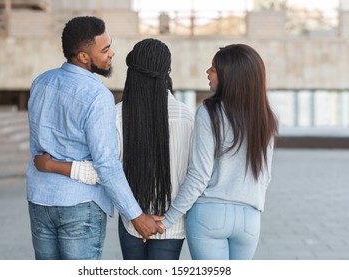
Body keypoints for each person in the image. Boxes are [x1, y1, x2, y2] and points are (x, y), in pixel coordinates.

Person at [34, 38, 194, 260]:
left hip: (131, 224)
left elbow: (106, 171)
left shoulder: (117, 115)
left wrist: (53, 165)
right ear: (167, 71)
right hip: (170, 227)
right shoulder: (186, 117)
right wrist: (168, 219)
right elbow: (193, 178)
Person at [160, 44, 279, 260]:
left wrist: (169, 218)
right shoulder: (266, 118)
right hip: (249, 219)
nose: (207, 72)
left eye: (213, 68)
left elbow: (199, 175)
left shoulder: (209, 112)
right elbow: (265, 175)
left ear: (229, 75)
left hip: (209, 215)